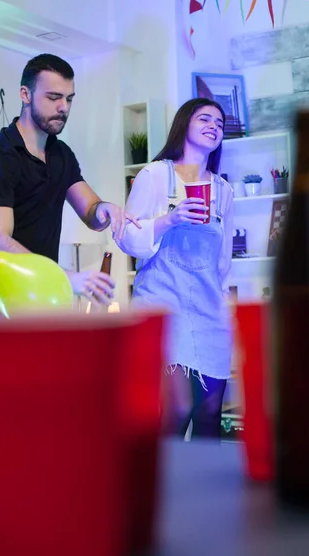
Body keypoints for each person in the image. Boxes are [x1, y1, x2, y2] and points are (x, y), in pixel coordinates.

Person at [116, 98, 234, 439]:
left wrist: (224, 304)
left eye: (219, 123)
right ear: (184, 124)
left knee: (211, 412)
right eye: (205, 119)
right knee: (176, 410)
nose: (214, 126)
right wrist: (170, 219)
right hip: (165, 307)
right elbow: (127, 237)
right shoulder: (155, 175)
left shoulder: (223, 191)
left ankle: (204, 490)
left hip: (210, 313)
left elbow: (222, 259)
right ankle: (162, 489)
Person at [0, 53, 140, 306]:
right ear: (25, 94)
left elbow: (91, 213)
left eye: (69, 99)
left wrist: (104, 210)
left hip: (41, 294)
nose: (63, 107)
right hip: (5, 300)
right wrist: (66, 277)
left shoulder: (60, 154)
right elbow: (0, 241)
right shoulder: (3, 153)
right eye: (53, 97)